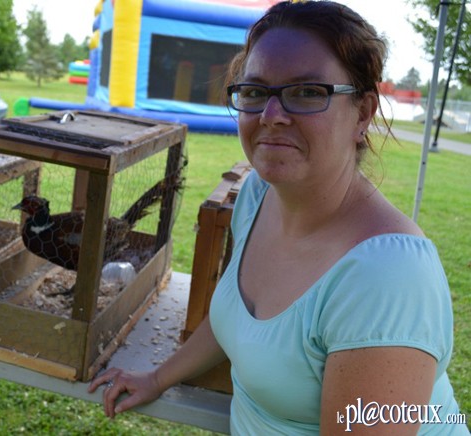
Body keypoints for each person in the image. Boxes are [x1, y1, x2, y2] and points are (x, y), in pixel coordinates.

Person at [89, 1, 468, 434]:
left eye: (307, 92)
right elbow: (235, 317)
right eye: (254, 92)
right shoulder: (257, 195)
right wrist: (158, 378)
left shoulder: (389, 277)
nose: (271, 116)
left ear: (362, 113)